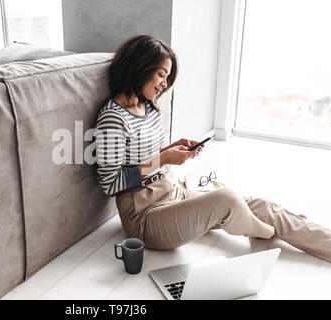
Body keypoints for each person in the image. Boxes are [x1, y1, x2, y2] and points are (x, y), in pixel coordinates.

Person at [95, 35, 331, 263]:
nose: (164, 84)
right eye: (161, 75)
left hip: (173, 192)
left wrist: (172, 149)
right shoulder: (113, 118)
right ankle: (268, 231)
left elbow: (145, 156)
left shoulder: (148, 106)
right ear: (140, 67)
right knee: (227, 199)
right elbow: (110, 183)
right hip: (145, 216)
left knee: (260, 205)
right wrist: (164, 158)